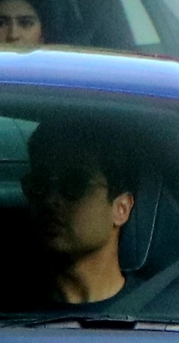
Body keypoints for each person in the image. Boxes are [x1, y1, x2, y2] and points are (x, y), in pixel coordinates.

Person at [23, 122, 137, 307]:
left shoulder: (176, 316)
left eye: (74, 185)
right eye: (38, 185)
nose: (50, 199)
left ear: (121, 209)